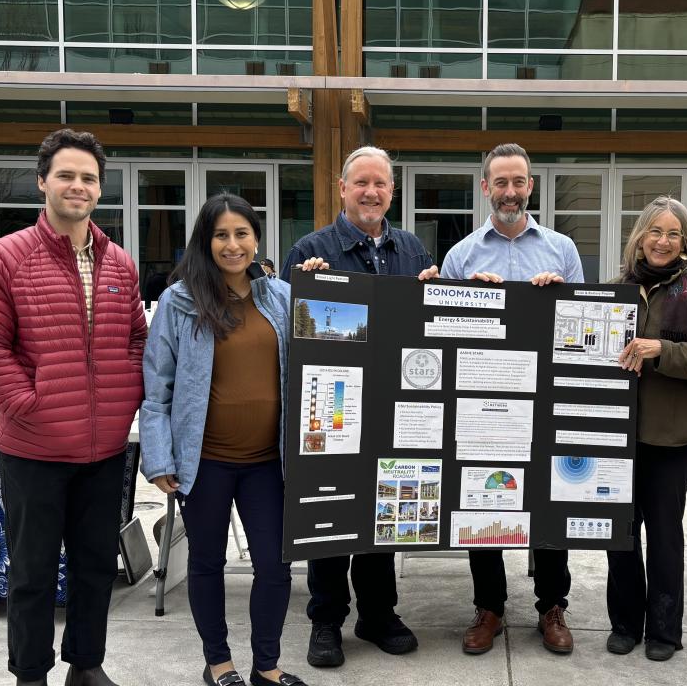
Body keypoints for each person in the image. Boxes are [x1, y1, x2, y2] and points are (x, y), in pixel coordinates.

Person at [0, 129, 146, 686]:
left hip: (105, 446)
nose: (78, 186)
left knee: (95, 566)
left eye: (88, 177)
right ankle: (32, 673)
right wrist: (28, 403)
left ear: (99, 188)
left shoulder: (119, 264)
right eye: (66, 175)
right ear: (43, 182)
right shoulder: (3, 259)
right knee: (34, 572)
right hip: (34, 448)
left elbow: (136, 337)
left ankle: (86, 665)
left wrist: (123, 398)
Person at [143, 194, 316, 686]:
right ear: (206, 241)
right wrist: (158, 458)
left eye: (242, 233)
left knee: (275, 566)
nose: (232, 244)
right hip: (206, 463)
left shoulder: (281, 297)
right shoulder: (180, 302)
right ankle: (218, 663)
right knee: (206, 564)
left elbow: (336, 333)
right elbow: (157, 389)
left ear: (257, 239)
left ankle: (267, 665)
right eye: (221, 235)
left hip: (269, 463)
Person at [418, 143, 582, 655]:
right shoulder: (462, 255)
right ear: (485, 188)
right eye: (501, 183)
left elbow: (582, 330)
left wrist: (559, 297)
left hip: (547, 402)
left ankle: (552, 605)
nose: (510, 192)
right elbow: (437, 336)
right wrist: (462, 293)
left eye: (519, 182)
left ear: (531, 186)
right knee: (482, 498)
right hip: (482, 406)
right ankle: (488, 606)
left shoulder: (562, 250)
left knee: (550, 503)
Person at [283, 146, 429, 668]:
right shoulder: (310, 249)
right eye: (361, 182)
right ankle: (326, 620)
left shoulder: (412, 251)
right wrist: (308, 284)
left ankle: (377, 614)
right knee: (331, 510)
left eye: (381, 184)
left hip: (397, 404)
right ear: (342, 188)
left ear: (392, 191)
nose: (371, 192)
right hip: (335, 406)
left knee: (384, 506)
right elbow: (293, 332)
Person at [606, 197, 687, 661]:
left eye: (673, 233)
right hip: (617, 433)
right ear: (639, 236)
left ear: (685, 242)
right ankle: (624, 623)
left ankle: (663, 631)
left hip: (671, 434)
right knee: (619, 533)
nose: (662, 241)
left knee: (662, 534)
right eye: (655, 231)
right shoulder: (617, 288)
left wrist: (663, 350)